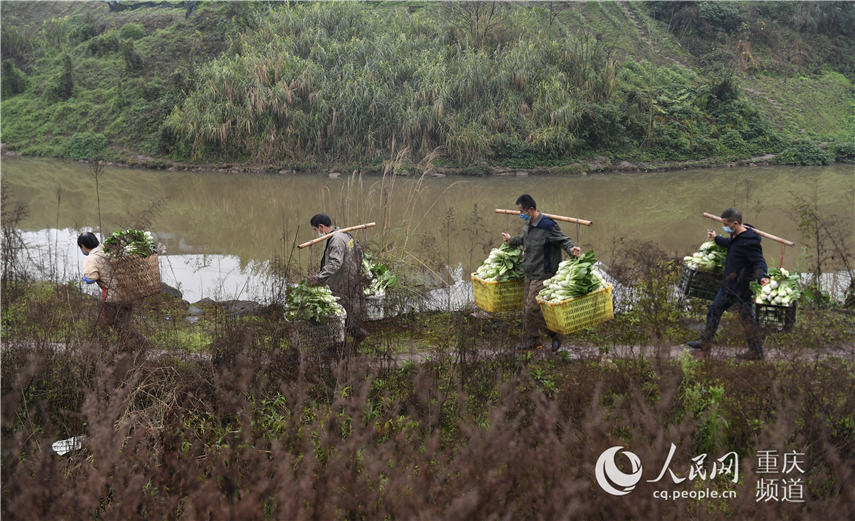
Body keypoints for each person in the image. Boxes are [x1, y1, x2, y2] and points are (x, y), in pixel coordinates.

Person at [686, 208, 770, 360]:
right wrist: (716, 238)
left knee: (747, 321)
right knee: (714, 310)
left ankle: (757, 353)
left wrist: (762, 276)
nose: (724, 227)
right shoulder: (735, 235)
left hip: (742, 288)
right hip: (728, 286)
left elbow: (759, 261)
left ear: (735, 223)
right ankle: (705, 342)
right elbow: (731, 245)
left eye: (726, 224)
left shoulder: (750, 241)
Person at [502, 194, 581, 352]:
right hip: (529, 271)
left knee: (532, 308)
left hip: (544, 273)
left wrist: (572, 249)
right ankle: (533, 339)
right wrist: (511, 240)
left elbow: (564, 240)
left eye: (522, 211)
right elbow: (525, 239)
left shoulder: (548, 225)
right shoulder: (529, 225)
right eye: (519, 212)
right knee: (527, 308)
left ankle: (555, 334)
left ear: (531, 209)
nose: (520, 215)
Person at [306, 213, 368, 349]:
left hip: (343, 283)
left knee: (341, 314)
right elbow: (359, 253)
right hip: (351, 279)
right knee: (346, 313)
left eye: (316, 230)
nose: (316, 232)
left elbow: (335, 263)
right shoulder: (344, 234)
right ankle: (348, 341)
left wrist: (319, 278)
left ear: (321, 227)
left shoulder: (337, 240)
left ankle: (348, 341)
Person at [78, 232, 131, 327]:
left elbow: (92, 278)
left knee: (113, 325)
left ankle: (142, 342)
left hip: (112, 298)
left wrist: (85, 278)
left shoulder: (91, 258)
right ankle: (136, 341)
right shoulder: (107, 250)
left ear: (83, 246)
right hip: (127, 293)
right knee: (124, 325)